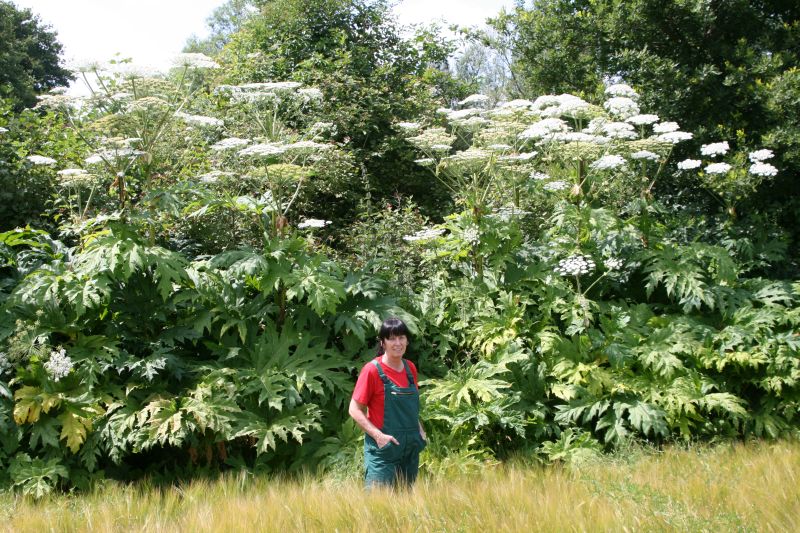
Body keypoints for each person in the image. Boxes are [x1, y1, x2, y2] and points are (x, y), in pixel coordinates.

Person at [348, 317, 427, 488]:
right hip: (384, 450)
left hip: (410, 450)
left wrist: (420, 431)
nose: (397, 343)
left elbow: (410, 408)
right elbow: (354, 409)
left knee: (405, 505)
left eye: (401, 338)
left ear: (407, 340)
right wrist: (378, 436)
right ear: (383, 343)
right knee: (378, 507)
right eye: (391, 338)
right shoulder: (372, 370)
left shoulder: (410, 368)